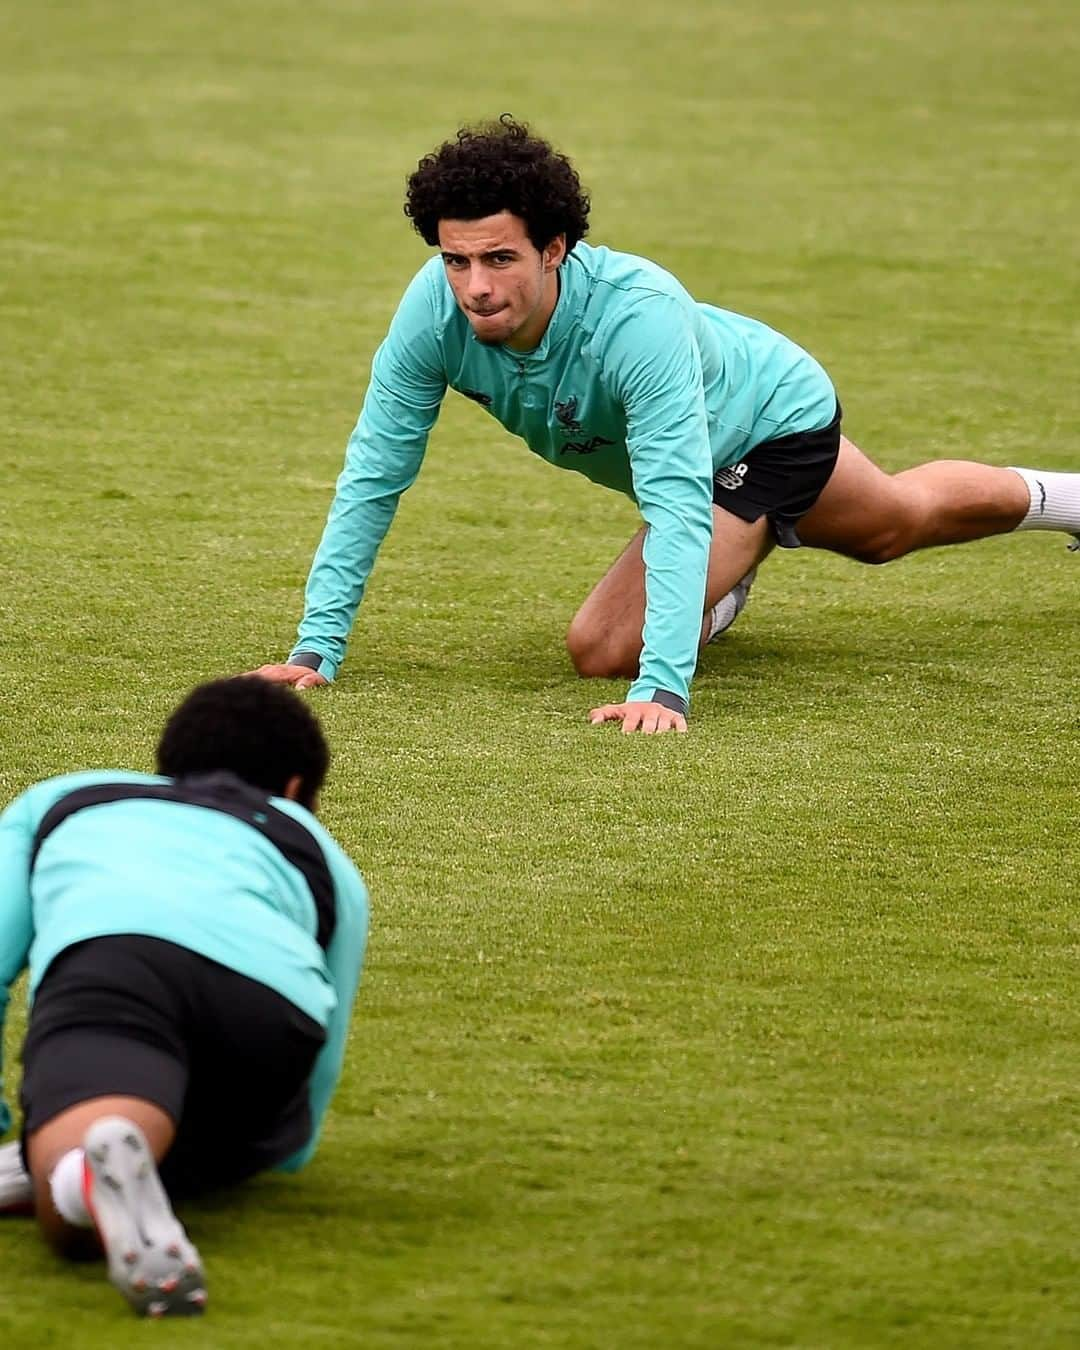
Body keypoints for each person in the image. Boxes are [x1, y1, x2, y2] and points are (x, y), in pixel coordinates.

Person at [254, 115, 1079, 734]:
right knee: (893, 523)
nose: (473, 286)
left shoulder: (635, 319)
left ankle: (735, 571)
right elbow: (375, 474)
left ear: (555, 248)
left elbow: (677, 499)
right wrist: (314, 649)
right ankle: (1069, 499)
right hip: (710, 454)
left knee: (603, 649)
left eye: (499, 258)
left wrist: (661, 686)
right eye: (456, 259)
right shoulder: (432, 314)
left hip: (775, 424)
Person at [0, 677, 369, 1317]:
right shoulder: (314, 844)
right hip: (272, 1007)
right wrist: (283, 1148)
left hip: (119, 969)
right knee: (189, 1153)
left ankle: (68, 1173)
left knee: (82, 1164)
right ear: (293, 789)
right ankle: (90, 1156)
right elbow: (329, 1017)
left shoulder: (64, 799)